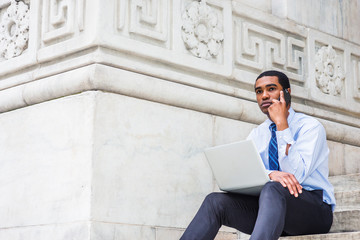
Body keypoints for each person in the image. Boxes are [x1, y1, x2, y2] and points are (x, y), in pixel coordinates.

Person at [180, 70, 336, 240]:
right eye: (259, 91)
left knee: (273, 188)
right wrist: (269, 174)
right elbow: (247, 175)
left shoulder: (310, 127)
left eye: (271, 89)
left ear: (286, 93)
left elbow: (295, 175)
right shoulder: (258, 134)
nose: (264, 96)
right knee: (215, 202)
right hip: (271, 211)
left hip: (313, 211)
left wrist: (282, 125)